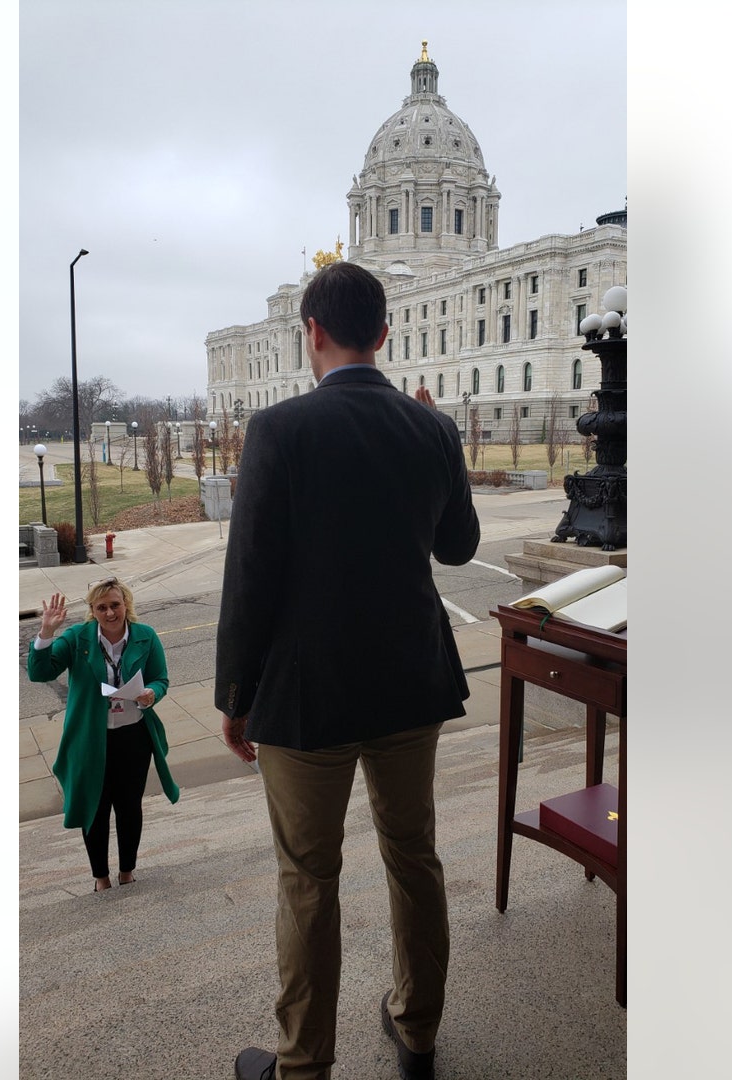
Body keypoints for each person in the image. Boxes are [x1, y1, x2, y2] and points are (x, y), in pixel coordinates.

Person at [217, 260, 479, 1080]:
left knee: (308, 879)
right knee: (414, 855)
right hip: (409, 682)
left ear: (314, 334)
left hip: (309, 696)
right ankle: (420, 1030)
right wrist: (446, 449)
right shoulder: (431, 430)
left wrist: (235, 695)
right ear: (387, 334)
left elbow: (251, 574)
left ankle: (304, 1066)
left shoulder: (281, 430)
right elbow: (459, 547)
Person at [26, 577, 180, 893]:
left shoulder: (145, 636)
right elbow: (39, 672)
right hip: (91, 740)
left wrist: (152, 692)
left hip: (133, 737)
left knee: (129, 806)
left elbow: (160, 678)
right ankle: (101, 877)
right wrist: (46, 634)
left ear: (126, 605)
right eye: (101, 607)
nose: (110, 613)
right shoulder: (78, 638)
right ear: (92, 610)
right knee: (94, 807)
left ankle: (127, 872)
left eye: (115, 605)